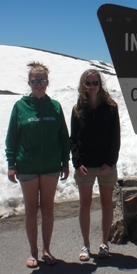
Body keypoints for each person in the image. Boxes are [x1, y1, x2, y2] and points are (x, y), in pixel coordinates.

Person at [5, 62, 70, 268]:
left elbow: (63, 137)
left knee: (48, 208)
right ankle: (33, 252)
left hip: (51, 165)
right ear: (29, 83)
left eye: (42, 80)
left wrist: (65, 162)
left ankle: (46, 250)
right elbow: (12, 138)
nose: (39, 84)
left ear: (47, 82)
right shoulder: (20, 107)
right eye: (35, 81)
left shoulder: (55, 107)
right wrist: (11, 163)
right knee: (32, 209)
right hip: (27, 166)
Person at [70, 69, 120, 261]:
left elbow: (115, 137)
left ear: (100, 84)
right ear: (83, 85)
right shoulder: (77, 109)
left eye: (95, 83)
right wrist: (77, 163)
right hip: (85, 166)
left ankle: (104, 243)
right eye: (88, 83)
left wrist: (110, 162)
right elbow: (73, 138)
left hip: (106, 165)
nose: (92, 87)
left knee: (107, 204)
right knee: (85, 204)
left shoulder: (110, 107)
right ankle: (85, 244)